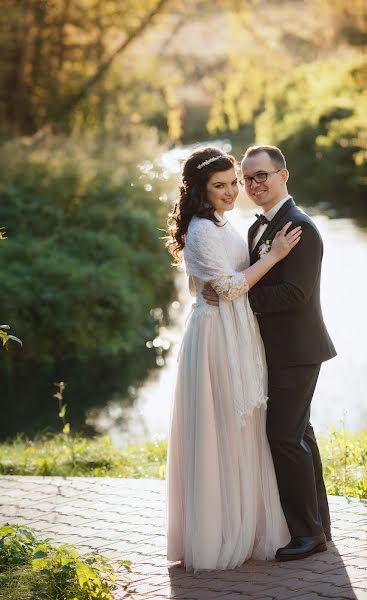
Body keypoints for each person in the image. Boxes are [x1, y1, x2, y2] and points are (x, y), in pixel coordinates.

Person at [165, 146, 301, 572]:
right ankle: (216, 534)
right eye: (219, 186)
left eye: (233, 183)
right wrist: (273, 257)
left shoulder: (225, 223)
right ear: (201, 191)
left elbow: (206, 282)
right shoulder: (203, 228)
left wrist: (218, 284)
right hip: (215, 340)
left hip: (234, 332)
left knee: (240, 427)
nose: (230, 192)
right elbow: (225, 287)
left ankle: (243, 524)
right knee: (219, 427)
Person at [203, 144, 336, 561]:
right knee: (300, 435)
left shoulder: (300, 227)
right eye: (248, 178)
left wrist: (235, 301)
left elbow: (296, 293)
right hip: (272, 350)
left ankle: (305, 535)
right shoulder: (258, 229)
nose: (254, 184)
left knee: (283, 436)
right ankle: (318, 526)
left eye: (262, 175)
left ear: (283, 176)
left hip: (297, 351)